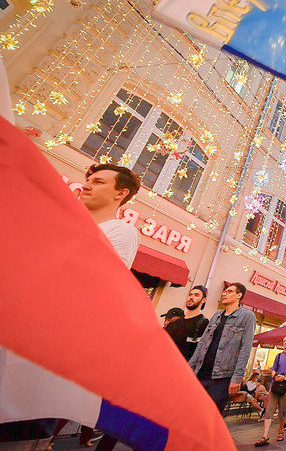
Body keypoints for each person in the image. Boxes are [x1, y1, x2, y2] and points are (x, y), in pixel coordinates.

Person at [44, 164, 141, 450]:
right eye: (88, 180)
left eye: (98, 182)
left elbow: (103, 287)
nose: (86, 185)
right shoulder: (68, 222)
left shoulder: (120, 231)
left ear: (120, 194)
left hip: (55, 341)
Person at [189, 282, 256, 415]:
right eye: (224, 291)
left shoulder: (247, 316)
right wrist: (190, 367)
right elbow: (202, 343)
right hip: (201, 374)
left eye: (229, 291)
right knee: (193, 414)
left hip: (222, 378)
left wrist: (237, 377)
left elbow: (245, 348)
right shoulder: (216, 316)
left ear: (239, 295)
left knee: (210, 418)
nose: (224, 293)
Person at [256, 335, 286, 446]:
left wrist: (284, 377)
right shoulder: (279, 355)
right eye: (284, 341)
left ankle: (280, 430)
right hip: (275, 385)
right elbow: (274, 368)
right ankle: (265, 436)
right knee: (269, 410)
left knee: (282, 411)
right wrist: (275, 376)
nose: (285, 342)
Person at [164, 285, 210, 361]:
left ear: (203, 300)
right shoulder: (175, 322)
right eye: (190, 294)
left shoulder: (204, 323)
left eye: (196, 295)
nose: (191, 297)